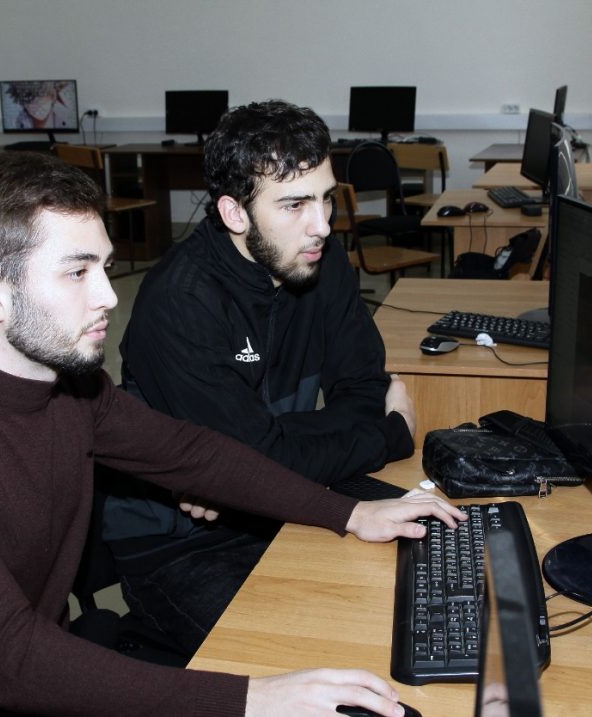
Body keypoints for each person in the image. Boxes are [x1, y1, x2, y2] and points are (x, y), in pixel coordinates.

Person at [0, 150, 463, 717]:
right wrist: (253, 697)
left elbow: (193, 455)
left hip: (44, 674)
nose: (108, 296)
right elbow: (12, 663)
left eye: (105, 267)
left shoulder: (72, 390)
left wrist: (350, 514)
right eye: (77, 273)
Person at [105, 100, 417, 654]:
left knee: (411, 613)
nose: (322, 225)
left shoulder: (320, 260)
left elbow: (362, 391)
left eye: (325, 198)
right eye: (295, 205)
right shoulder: (180, 302)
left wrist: (256, 460)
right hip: (182, 546)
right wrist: (390, 434)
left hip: (295, 503)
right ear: (234, 214)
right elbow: (252, 464)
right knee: (311, 661)